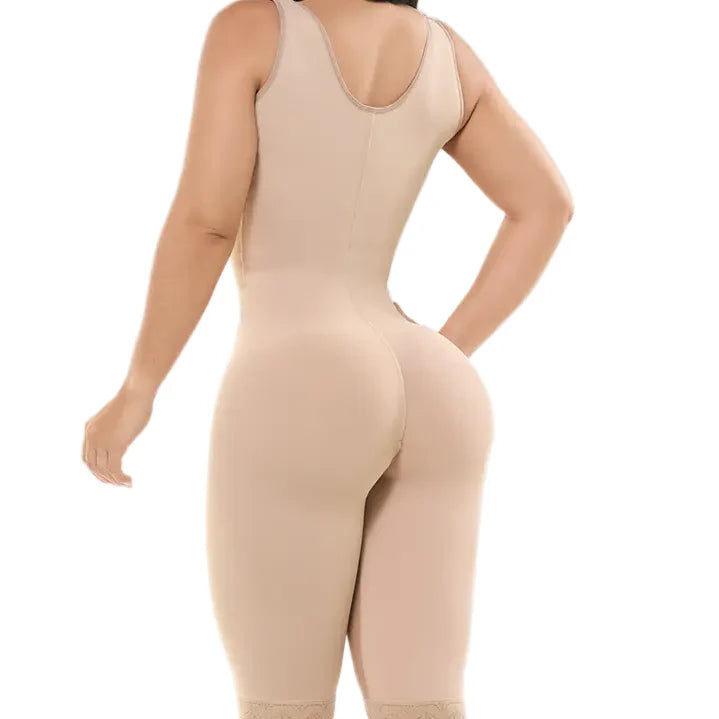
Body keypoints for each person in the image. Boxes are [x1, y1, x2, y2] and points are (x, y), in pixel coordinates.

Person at [82, 0, 573, 717]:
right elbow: (546, 205)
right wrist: (445, 354)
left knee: (284, 704)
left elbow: (207, 221)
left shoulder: (252, 29)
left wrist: (139, 387)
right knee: (424, 705)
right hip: (430, 381)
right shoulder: (446, 53)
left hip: (298, 377)